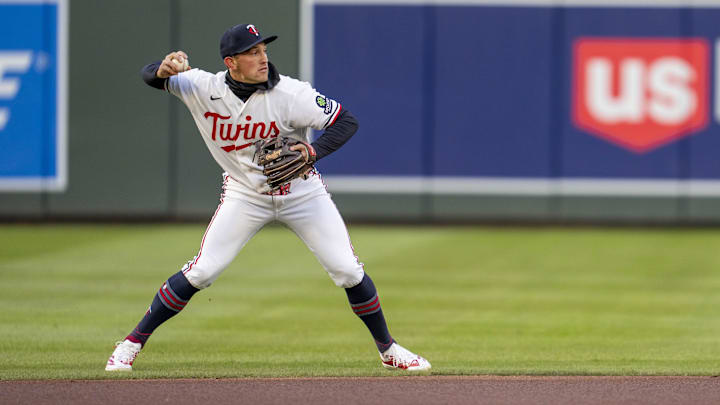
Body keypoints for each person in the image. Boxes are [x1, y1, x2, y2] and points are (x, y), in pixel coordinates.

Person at [105, 23, 430, 372]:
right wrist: (161, 68)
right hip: (245, 195)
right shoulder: (202, 86)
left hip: (302, 193)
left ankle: (388, 350)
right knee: (202, 271)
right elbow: (152, 76)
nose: (263, 57)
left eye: (263, 50)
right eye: (253, 52)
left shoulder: (292, 93)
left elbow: (346, 121)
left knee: (347, 270)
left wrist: (312, 152)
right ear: (231, 62)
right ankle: (131, 343)